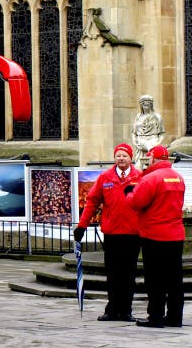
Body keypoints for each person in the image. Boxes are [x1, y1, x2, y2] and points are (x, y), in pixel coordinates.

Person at [73, 143, 140, 322]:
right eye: (118, 155)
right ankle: (112, 309)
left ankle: (126, 310)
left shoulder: (139, 177)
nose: (121, 158)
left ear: (130, 158)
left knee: (128, 274)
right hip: (112, 233)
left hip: (133, 234)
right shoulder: (105, 177)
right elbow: (92, 202)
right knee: (112, 273)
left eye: (124, 155)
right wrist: (82, 226)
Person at [124, 145, 186, 328]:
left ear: (151, 158)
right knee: (175, 279)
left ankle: (156, 316)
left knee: (155, 279)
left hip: (155, 235)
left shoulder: (152, 178)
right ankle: (175, 317)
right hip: (175, 235)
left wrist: (128, 193)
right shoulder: (178, 177)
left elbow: (136, 202)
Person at [131, 95, 164, 165]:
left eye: (147, 105)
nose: (145, 106)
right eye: (143, 104)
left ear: (151, 105)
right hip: (140, 146)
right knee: (139, 168)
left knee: (152, 166)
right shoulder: (138, 117)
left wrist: (157, 144)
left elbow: (162, 134)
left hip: (153, 143)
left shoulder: (157, 117)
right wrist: (135, 143)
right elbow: (134, 133)